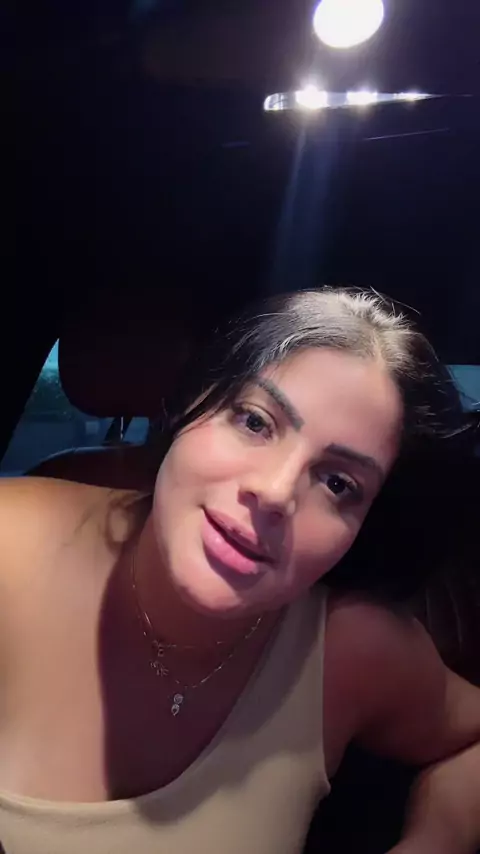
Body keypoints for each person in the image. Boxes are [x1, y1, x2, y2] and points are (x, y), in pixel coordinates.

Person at [0, 287, 478, 854]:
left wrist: (437, 838)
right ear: (191, 404)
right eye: (254, 422)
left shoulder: (349, 648)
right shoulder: (10, 544)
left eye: (338, 483)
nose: (274, 491)